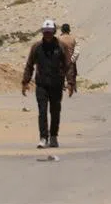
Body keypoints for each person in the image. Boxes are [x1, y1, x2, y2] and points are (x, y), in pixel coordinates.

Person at [21, 19, 74, 149]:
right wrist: (25, 82)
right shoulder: (37, 47)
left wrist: (71, 82)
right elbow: (29, 65)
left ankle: (54, 136)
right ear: (42, 32)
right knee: (42, 111)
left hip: (57, 84)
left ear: (54, 32)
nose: (48, 35)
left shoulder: (61, 46)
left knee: (55, 111)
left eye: (50, 32)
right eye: (45, 32)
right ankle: (43, 138)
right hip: (41, 85)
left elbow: (69, 65)